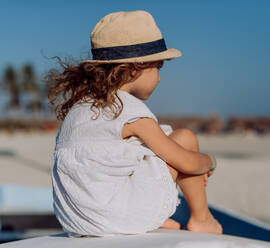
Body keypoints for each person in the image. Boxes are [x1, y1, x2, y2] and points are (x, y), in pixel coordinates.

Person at [47, 10, 222, 237]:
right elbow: (186, 162)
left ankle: (155, 217)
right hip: (116, 215)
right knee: (185, 138)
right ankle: (202, 219)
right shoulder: (128, 109)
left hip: (78, 221)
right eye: (158, 67)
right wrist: (210, 163)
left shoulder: (82, 108)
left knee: (159, 150)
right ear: (133, 69)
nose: (159, 77)